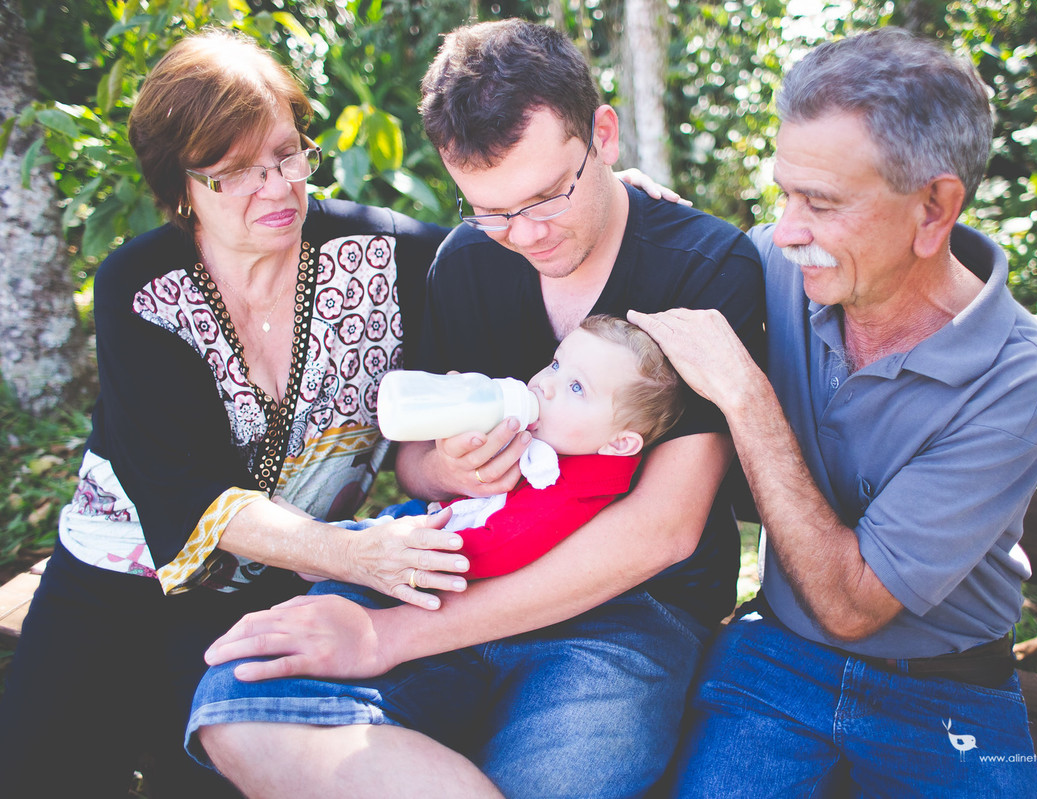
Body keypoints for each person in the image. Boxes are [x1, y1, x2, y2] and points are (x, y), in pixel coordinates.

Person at [189, 18, 765, 799]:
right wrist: (447, 464)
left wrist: (386, 636)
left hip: (627, 611)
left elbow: (662, 530)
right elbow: (417, 464)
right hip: (465, 559)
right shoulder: (468, 261)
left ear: (603, 133)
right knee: (237, 705)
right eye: (490, 209)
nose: (524, 235)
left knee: (555, 782)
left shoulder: (704, 266)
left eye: (546, 197)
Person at [0, 29, 463, 799]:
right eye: (235, 171)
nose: (276, 187)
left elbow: (506, 254)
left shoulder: (383, 255)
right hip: (115, 578)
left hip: (267, 588)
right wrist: (356, 553)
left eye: (287, 154)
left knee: (213, 769)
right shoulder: (142, 288)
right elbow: (189, 496)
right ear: (182, 187)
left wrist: (612, 201)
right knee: (33, 771)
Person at [630, 27, 1037, 797]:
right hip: (778, 659)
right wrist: (621, 211)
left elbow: (851, 604)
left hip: (949, 689)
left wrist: (745, 394)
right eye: (784, 193)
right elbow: (657, 262)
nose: (787, 230)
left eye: (823, 203)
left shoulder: (1017, 375)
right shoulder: (779, 262)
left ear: (934, 208)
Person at [329, 313, 686, 581]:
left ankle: (333, 550)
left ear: (619, 442)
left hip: (442, 550)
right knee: (391, 519)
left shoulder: (570, 492)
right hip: (436, 513)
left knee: (373, 544)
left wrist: (415, 550)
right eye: (556, 364)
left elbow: (499, 550)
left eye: (577, 387)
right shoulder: (552, 439)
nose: (546, 384)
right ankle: (334, 545)